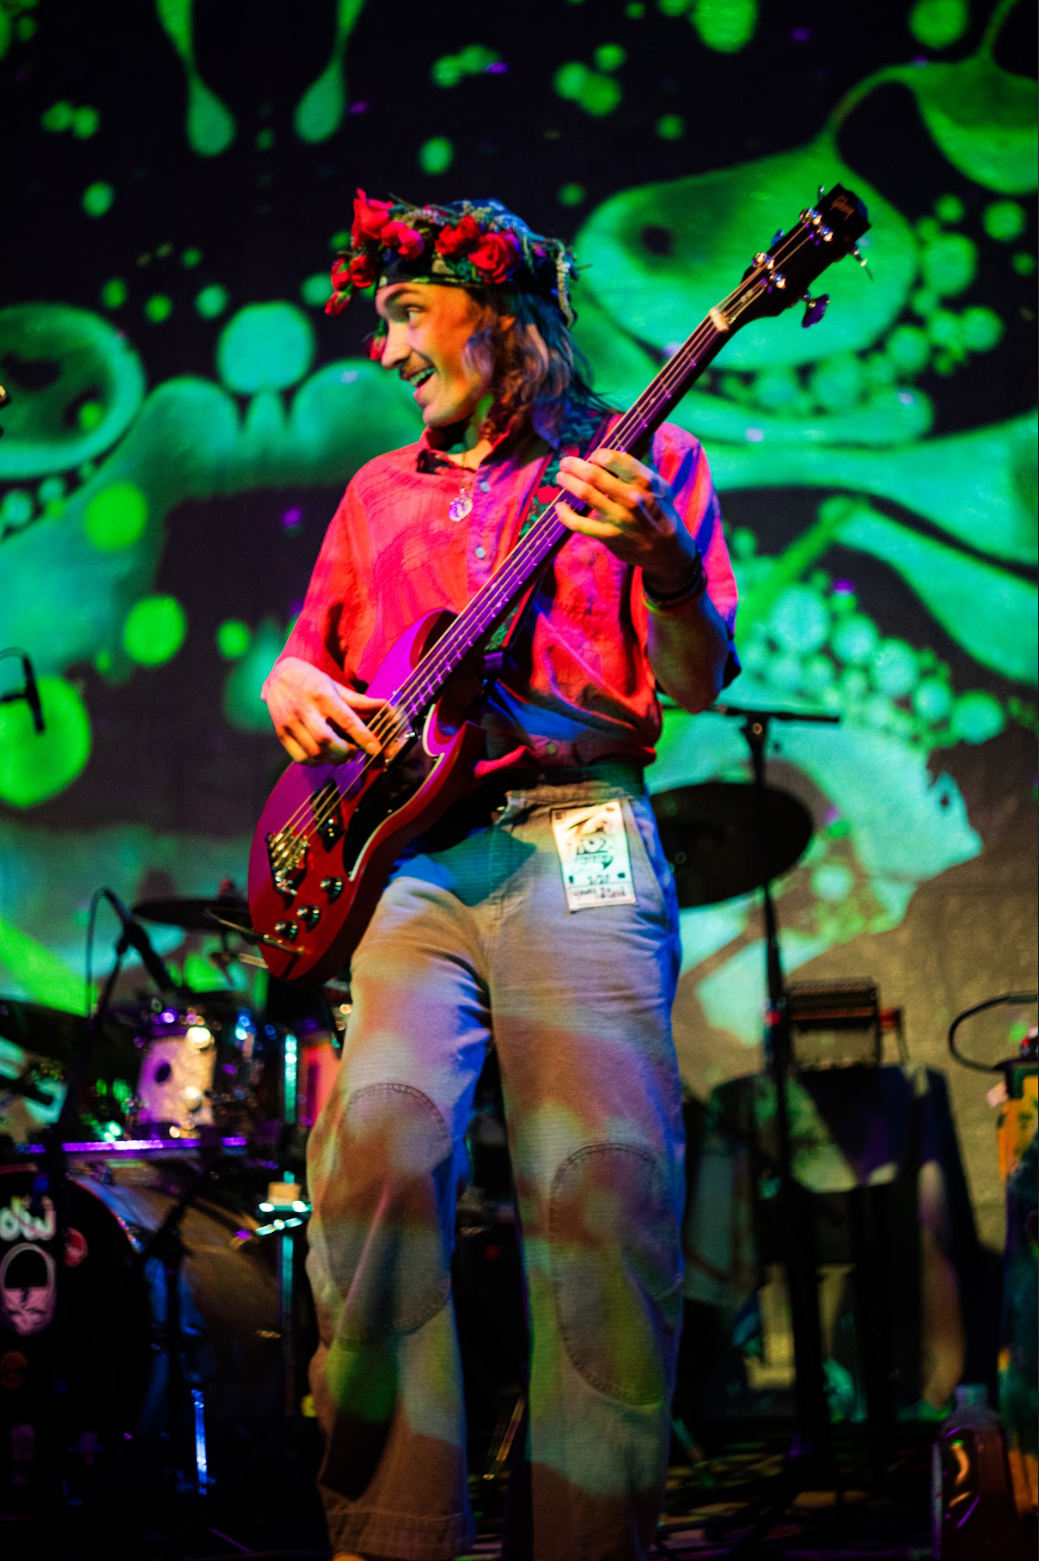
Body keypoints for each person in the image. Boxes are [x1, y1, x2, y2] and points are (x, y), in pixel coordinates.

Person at [262, 191, 739, 1561]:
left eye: (408, 313)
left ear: (502, 316)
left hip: (577, 831)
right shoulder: (377, 492)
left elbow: (700, 679)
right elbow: (306, 660)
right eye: (382, 321)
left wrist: (659, 558)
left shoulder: (646, 456)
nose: (385, 347)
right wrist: (290, 685)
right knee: (376, 1157)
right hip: (413, 866)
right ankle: (393, 1531)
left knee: (601, 1192)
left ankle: (593, 1538)